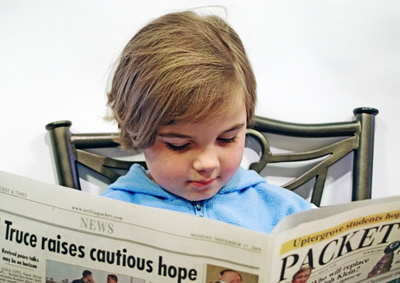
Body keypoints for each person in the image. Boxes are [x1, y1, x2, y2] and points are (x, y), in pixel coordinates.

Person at [101, 10, 311, 234]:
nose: (207, 164)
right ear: (137, 132)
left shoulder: (283, 210)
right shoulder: (110, 212)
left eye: (227, 139)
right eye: (179, 145)